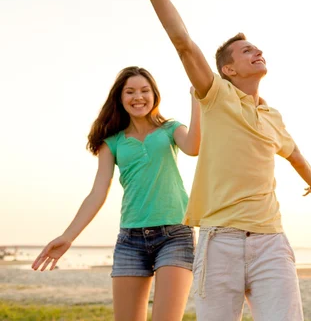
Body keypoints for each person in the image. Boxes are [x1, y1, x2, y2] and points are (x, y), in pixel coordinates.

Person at [120, 0, 311, 321]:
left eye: (258, 48)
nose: (258, 52)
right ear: (228, 69)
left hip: (271, 241)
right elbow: (182, 41)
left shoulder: (272, 116)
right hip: (220, 242)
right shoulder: (215, 95)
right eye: (247, 50)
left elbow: (294, 153)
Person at [32, 66, 201, 321]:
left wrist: (197, 100)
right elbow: (97, 193)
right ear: (120, 98)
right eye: (130, 91)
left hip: (175, 235)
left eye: (145, 91)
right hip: (130, 240)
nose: (138, 97)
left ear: (154, 95)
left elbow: (194, 147)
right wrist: (68, 237)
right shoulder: (112, 141)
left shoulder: (171, 129)